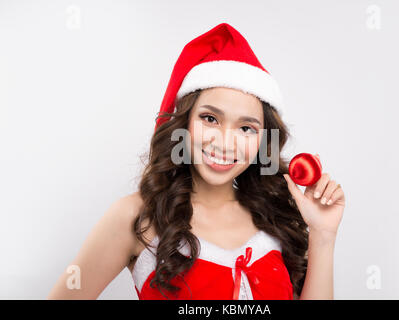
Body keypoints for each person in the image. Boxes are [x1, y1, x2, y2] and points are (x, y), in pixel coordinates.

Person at [47, 22, 345, 300]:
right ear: (184, 124)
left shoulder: (273, 217)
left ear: (262, 141)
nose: (225, 142)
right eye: (210, 118)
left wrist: (323, 235)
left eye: (246, 128)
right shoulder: (136, 217)